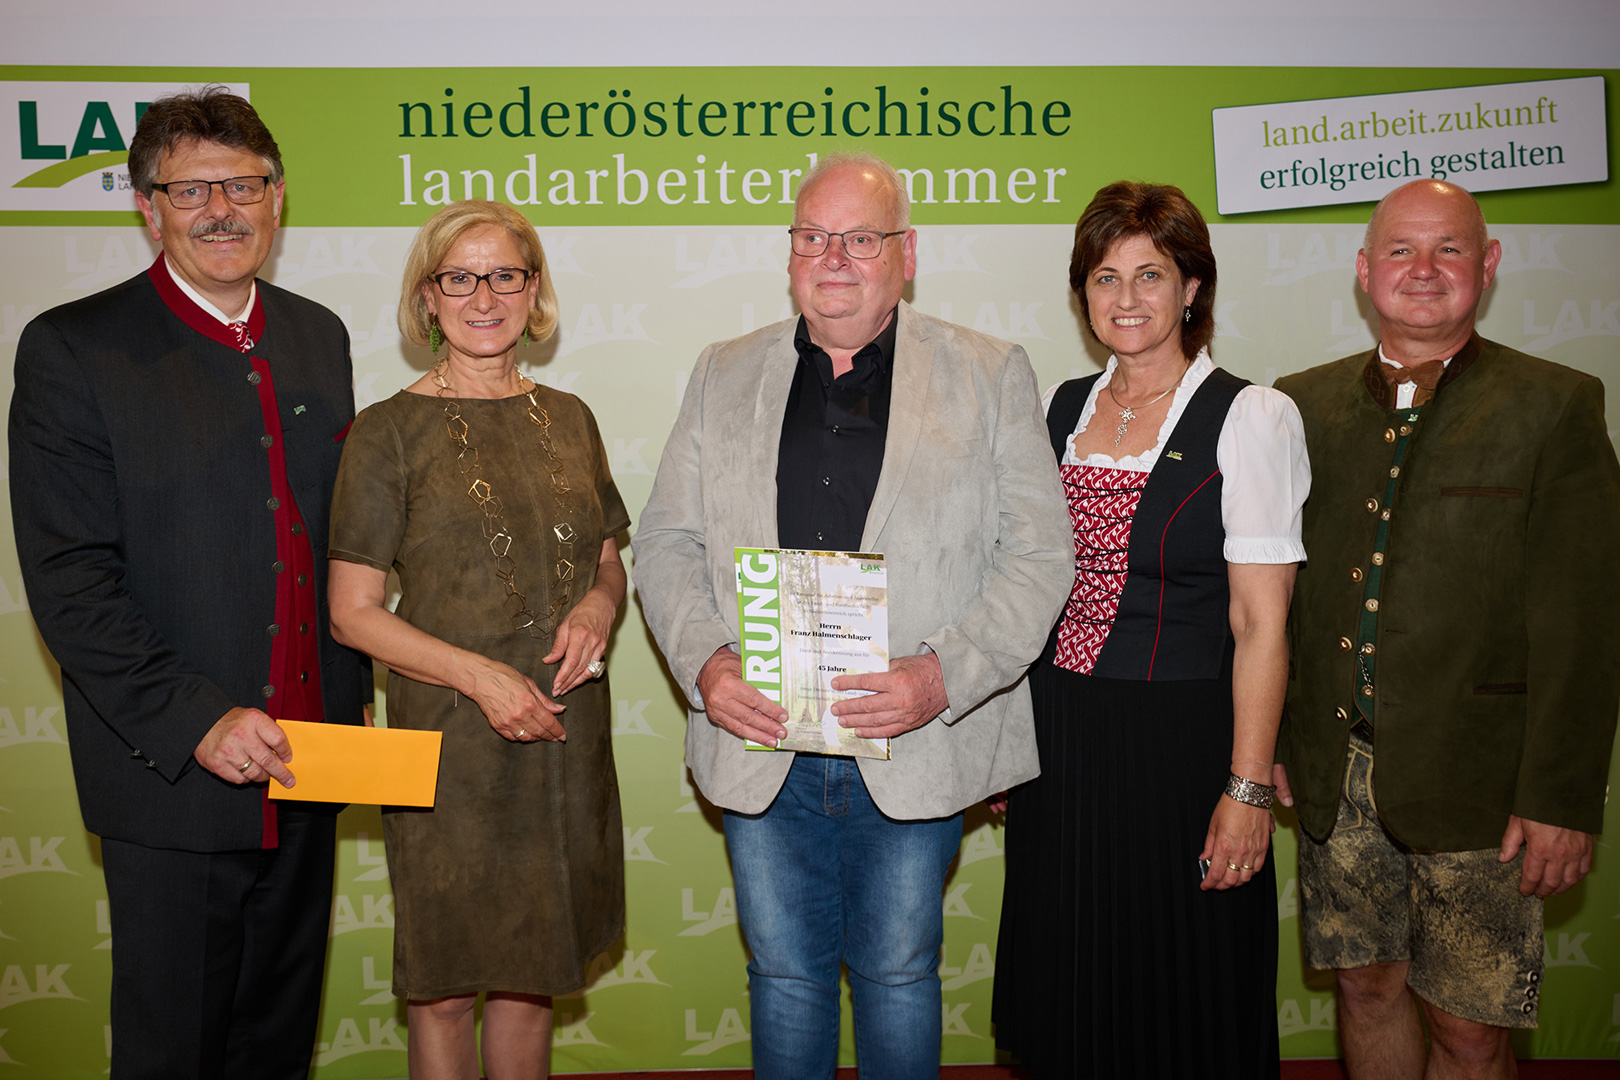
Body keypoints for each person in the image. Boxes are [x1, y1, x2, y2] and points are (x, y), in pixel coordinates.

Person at [632, 151, 1072, 1079]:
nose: (833, 258)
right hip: (763, 738)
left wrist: (943, 676)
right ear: (789, 251)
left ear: (906, 254)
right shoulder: (722, 371)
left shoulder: (989, 371)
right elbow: (666, 540)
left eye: (861, 239)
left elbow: (1039, 557)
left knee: (899, 973)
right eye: (813, 237)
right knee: (783, 977)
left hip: (912, 738)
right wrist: (708, 664)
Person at [7, 87, 369, 1078]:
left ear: (278, 197)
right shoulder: (74, 348)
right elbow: (71, 578)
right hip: (173, 777)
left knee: (277, 1046)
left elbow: (343, 537)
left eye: (243, 186)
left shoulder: (319, 334)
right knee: (173, 1052)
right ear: (146, 205)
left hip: (311, 763)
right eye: (191, 189)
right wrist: (196, 719)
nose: (221, 210)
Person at [1273, 179, 1620, 1080]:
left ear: (1488, 264)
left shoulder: (1555, 404)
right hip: (1338, 775)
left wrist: (1561, 799)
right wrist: (1278, 741)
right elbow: (1284, 598)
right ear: (1364, 271)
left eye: (1449, 249)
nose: (1423, 269)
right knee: (1366, 990)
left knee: (1470, 1032)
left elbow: (1584, 626)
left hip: (1484, 787)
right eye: (1400, 249)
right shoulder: (1298, 406)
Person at [992, 181, 1309, 1078]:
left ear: (1192, 288)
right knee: (1071, 984)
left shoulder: (1250, 417)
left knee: (1180, 994)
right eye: (1105, 277)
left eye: (1150, 275)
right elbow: (1024, 585)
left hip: (1182, 746)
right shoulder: (1057, 408)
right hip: (1060, 739)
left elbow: (1261, 624)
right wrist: (1008, 738)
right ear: (1082, 294)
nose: (1125, 299)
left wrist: (1247, 787)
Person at [326, 199, 628, 1080]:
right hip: (451, 744)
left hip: (565, 733)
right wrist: (483, 679)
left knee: (535, 978)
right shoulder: (387, 430)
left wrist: (600, 607)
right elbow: (352, 612)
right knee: (447, 986)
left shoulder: (571, 416)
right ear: (428, 298)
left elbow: (608, 561)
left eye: (504, 275)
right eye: (459, 278)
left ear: (534, 291)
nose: (484, 298)